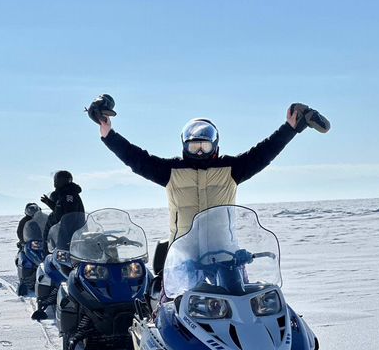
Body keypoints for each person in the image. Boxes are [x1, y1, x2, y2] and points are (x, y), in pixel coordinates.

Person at [87, 95, 329, 244]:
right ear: (184, 146)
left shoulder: (231, 169)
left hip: (224, 254)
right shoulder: (171, 171)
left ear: (215, 145)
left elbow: (264, 152)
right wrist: (108, 134)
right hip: (183, 255)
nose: (200, 152)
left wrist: (289, 128)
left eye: (204, 146)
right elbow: (135, 158)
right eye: (195, 146)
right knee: (173, 309)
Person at [41, 171, 85, 247]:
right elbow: (61, 210)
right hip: (70, 230)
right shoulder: (66, 192)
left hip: (69, 231)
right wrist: (49, 203)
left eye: (57, 180)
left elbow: (67, 213)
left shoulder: (68, 194)